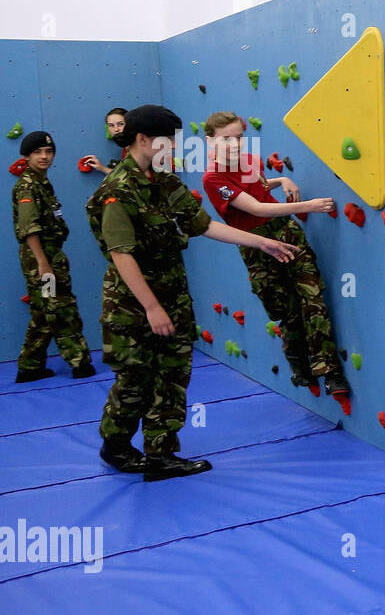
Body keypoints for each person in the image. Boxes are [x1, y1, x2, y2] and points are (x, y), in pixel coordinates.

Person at [86, 104, 298, 481]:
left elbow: (203, 225)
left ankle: (160, 455)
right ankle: (116, 446)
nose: (173, 148)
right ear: (142, 139)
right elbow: (121, 254)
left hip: (172, 295)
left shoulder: (163, 181)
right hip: (134, 305)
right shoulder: (117, 190)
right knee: (135, 380)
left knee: (171, 374)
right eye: (168, 141)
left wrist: (260, 243)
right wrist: (151, 307)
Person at [200, 111, 348, 395]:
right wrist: (308, 206)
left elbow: (260, 188)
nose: (234, 145)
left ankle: (329, 370)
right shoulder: (212, 177)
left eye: (239, 138)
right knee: (287, 308)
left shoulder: (250, 162)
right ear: (210, 142)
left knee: (313, 297)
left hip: (285, 231)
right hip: (256, 244)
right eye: (226, 139)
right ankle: (298, 360)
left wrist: (282, 181)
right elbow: (256, 207)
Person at [10, 131, 95, 381]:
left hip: (51, 256)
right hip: (42, 259)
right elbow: (29, 228)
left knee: (45, 310)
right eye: (37, 153)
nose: (44, 157)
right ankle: (79, 363)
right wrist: (43, 264)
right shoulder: (27, 186)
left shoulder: (41, 182)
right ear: (26, 156)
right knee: (60, 308)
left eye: (48, 152)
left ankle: (30, 366)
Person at [79, 108, 128, 177]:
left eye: (120, 124)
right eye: (111, 125)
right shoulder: (126, 148)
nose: (116, 129)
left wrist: (103, 169)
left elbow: (131, 180)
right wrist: (101, 168)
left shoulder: (137, 147)